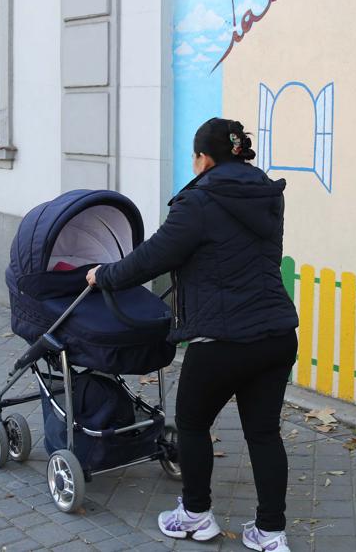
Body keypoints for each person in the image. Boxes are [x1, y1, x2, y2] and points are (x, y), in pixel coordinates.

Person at [87, 117, 299, 551]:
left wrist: (103, 275)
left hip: (223, 339)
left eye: (194, 156)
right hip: (276, 334)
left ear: (203, 159)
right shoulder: (265, 195)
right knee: (264, 433)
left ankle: (196, 516)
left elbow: (150, 259)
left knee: (193, 424)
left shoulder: (199, 202)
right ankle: (271, 534)